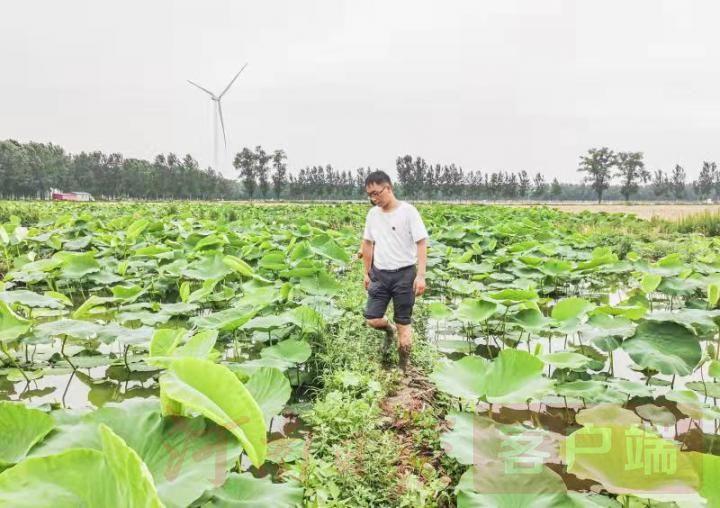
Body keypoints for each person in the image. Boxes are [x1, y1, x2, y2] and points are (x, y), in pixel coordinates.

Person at [360, 170, 428, 373]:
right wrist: (366, 273)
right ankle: (388, 330)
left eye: (376, 193)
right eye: (369, 195)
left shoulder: (408, 212)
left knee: (403, 325)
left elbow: (422, 242)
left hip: (404, 274)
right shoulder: (373, 215)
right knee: (372, 319)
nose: (373, 199)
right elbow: (367, 243)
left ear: (388, 188)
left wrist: (421, 275)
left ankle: (403, 368)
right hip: (380, 274)